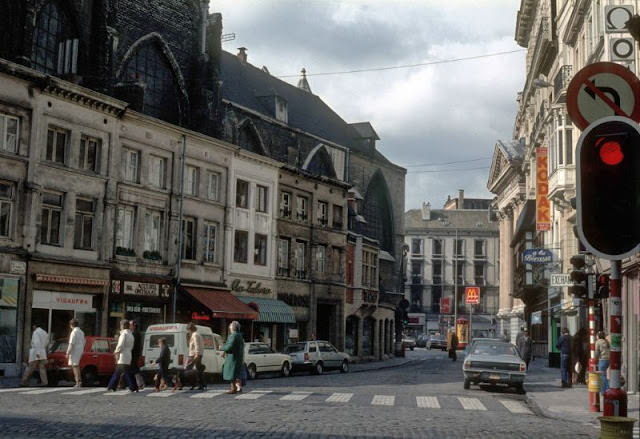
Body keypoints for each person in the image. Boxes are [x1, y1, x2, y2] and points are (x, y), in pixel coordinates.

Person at [107, 319, 138, 392]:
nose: (120, 327)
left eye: (121, 325)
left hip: (123, 355)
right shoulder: (131, 334)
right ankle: (113, 386)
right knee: (121, 372)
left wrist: (116, 351)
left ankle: (113, 386)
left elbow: (120, 345)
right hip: (128, 354)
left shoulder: (123, 334)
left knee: (122, 372)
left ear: (123, 326)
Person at [221, 321, 245, 394]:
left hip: (232, 358)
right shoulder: (239, 335)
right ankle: (237, 387)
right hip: (237, 357)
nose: (229, 327)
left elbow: (229, 347)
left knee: (231, 373)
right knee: (235, 373)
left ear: (233, 327)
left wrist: (222, 347)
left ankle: (233, 388)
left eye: (230, 326)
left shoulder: (233, 335)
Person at [66, 319, 86, 388]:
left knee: (74, 366)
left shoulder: (74, 332)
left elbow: (71, 343)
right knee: (76, 366)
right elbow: (84, 342)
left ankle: (78, 382)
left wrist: (67, 352)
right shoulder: (81, 332)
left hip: (75, 350)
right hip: (80, 350)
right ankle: (79, 381)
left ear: (71, 325)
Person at [187, 322, 205, 390]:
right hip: (198, 354)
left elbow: (197, 345)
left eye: (188, 330)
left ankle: (194, 384)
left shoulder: (195, 335)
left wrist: (196, 354)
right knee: (198, 370)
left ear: (190, 329)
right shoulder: (197, 334)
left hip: (194, 355)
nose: (188, 331)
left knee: (189, 370)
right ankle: (201, 384)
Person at [594, 331, 610, 403]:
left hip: (602, 360)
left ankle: (605, 391)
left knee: (602, 376)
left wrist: (595, 359)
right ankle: (607, 389)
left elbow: (597, 352)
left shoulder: (598, 342)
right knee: (605, 375)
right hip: (608, 360)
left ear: (598, 336)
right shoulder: (606, 341)